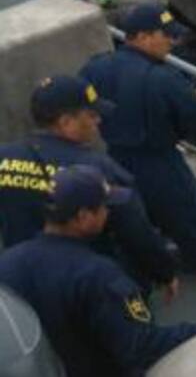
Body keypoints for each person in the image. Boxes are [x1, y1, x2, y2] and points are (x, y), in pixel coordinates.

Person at [0, 165, 196, 377]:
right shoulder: (99, 276)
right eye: (103, 207)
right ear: (83, 217)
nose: (108, 212)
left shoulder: (7, 265)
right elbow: (141, 345)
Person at [81, 4, 196, 307]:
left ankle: (133, 304)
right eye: (165, 35)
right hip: (161, 166)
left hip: (114, 162)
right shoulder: (164, 78)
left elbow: (83, 104)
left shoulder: (95, 68)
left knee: (130, 235)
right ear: (142, 37)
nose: (172, 41)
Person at [0, 76, 177, 297]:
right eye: (91, 115)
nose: (98, 121)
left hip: (22, 282)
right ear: (66, 122)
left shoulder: (4, 158)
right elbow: (135, 228)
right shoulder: (98, 168)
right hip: (89, 284)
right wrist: (164, 272)